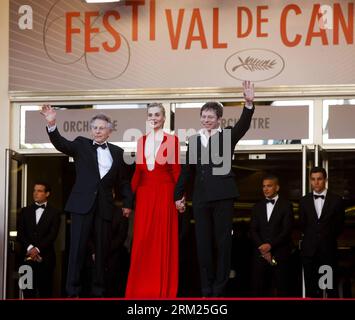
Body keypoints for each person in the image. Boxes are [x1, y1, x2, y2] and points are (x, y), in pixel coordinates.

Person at [40, 105, 133, 297]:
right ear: (91, 130)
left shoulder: (117, 152)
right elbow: (61, 143)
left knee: (102, 250)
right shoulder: (81, 144)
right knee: (77, 249)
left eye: (102, 128)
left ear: (109, 130)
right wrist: (51, 124)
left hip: (105, 206)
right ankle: (73, 290)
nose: (98, 131)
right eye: (95, 127)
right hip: (82, 205)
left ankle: (98, 290)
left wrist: (128, 202)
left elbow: (123, 181)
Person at [174, 81, 255, 297]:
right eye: (203, 116)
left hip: (224, 196)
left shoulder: (227, 135)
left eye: (210, 117)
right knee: (202, 244)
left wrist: (248, 104)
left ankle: (219, 287)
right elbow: (186, 171)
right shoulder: (193, 140)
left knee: (223, 243)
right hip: (200, 199)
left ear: (219, 119)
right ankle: (206, 287)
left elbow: (243, 126)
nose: (206, 120)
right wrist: (178, 195)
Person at [125, 103, 182, 298]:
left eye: (157, 115)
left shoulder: (172, 140)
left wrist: (180, 198)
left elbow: (176, 171)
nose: (154, 118)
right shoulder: (141, 141)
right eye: (151, 115)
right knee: (142, 241)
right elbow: (137, 173)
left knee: (161, 240)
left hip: (165, 194)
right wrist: (127, 200)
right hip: (144, 195)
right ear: (147, 118)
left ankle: (162, 289)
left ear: (164, 118)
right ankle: (140, 289)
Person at [300, 167, 345, 298]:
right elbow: (302, 225)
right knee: (311, 289)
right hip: (309, 253)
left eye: (319, 179)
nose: (316, 182)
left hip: (328, 252)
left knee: (330, 287)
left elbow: (340, 226)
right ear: (310, 181)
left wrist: (326, 238)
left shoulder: (337, 200)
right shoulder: (304, 201)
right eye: (313, 179)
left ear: (325, 180)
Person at [250, 174, 294, 297]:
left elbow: (286, 230)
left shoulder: (286, 205)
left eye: (269, 186)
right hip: (260, 256)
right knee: (259, 290)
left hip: (280, 254)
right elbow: (253, 230)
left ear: (277, 187)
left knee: (282, 289)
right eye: (264, 186)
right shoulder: (257, 207)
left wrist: (270, 246)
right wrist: (263, 249)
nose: (265, 189)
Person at [17, 182, 61, 298]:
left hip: (46, 260)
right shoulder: (25, 211)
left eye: (39, 191)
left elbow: (52, 235)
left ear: (47, 194)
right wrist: (30, 248)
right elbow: (20, 234)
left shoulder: (55, 213)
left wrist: (37, 249)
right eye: (34, 190)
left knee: (45, 292)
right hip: (26, 259)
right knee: (27, 292)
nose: (35, 193)